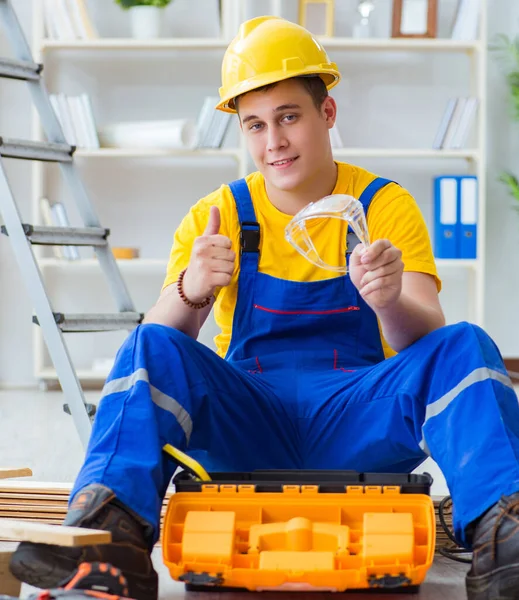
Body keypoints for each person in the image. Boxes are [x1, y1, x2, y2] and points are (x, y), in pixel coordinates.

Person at [10, 16, 519, 600]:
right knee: (148, 343)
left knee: (467, 344)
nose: (273, 141)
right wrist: (192, 290)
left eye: (288, 116)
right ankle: (106, 542)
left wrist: (389, 300)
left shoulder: (382, 204)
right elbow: (159, 343)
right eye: (255, 124)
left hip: (358, 419)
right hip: (246, 420)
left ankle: (506, 539)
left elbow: (425, 334)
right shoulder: (218, 213)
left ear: (326, 114)